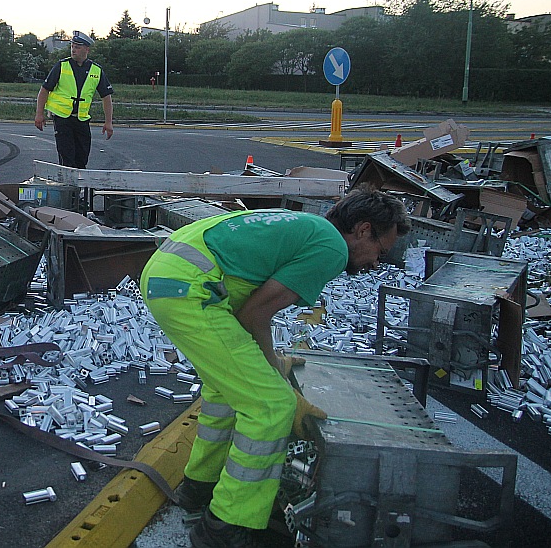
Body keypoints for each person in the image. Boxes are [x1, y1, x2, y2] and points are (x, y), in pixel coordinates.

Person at [138, 188, 410, 548]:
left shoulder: (308, 227)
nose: (376, 263)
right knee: (271, 405)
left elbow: (249, 308)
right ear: (362, 230)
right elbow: (255, 314)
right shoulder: (331, 247)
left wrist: (271, 363)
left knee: (226, 393)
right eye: (380, 251)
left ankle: (199, 490)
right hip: (192, 290)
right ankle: (225, 527)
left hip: (168, 278)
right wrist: (276, 376)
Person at [34, 31, 114, 169]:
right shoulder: (62, 66)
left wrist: (108, 122)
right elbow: (44, 90)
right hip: (63, 119)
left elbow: (106, 97)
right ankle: (68, 189)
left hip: (82, 120)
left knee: (82, 159)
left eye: (77, 47)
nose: (73, 49)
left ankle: (77, 190)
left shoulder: (96, 70)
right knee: (67, 159)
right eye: (72, 46)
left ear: (86, 49)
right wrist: (39, 114)